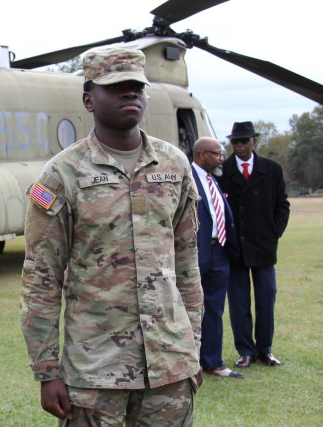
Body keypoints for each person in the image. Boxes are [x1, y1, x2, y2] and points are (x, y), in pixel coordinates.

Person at [20, 47, 204, 426]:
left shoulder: (174, 165)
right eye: (116, 87)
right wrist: (47, 369)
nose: (130, 94)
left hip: (170, 367)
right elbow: (41, 279)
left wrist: (192, 350)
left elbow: (187, 265)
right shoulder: (62, 174)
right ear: (89, 99)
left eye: (136, 86)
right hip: (96, 372)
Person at [217, 121, 290, 368]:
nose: (238, 146)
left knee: (266, 299)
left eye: (243, 141)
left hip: (264, 247)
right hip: (235, 248)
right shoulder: (223, 170)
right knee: (238, 303)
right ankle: (245, 351)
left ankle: (265, 350)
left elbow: (282, 205)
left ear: (253, 141)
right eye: (234, 142)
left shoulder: (272, 169)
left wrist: (274, 233)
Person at [191, 137, 242, 378]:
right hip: (194, 252)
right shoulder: (186, 178)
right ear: (202, 155)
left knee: (214, 308)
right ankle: (187, 362)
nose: (222, 158)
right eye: (217, 154)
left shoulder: (213, 180)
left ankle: (212, 362)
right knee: (187, 308)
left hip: (219, 251)